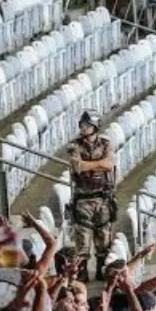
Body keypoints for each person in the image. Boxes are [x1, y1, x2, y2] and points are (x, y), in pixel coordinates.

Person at [66, 109, 116, 282]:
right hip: (83, 200)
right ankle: (83, 274)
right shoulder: (74, 146)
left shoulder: (106, 144)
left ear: (95, 126)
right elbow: (77, 166)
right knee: (83, 242)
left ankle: (102, 272)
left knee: (104, 241)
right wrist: (98, 165)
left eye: (87, 125)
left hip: (103, 198)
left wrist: (90, 165)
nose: (83, 128)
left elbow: (109, 164)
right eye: (82, 125)